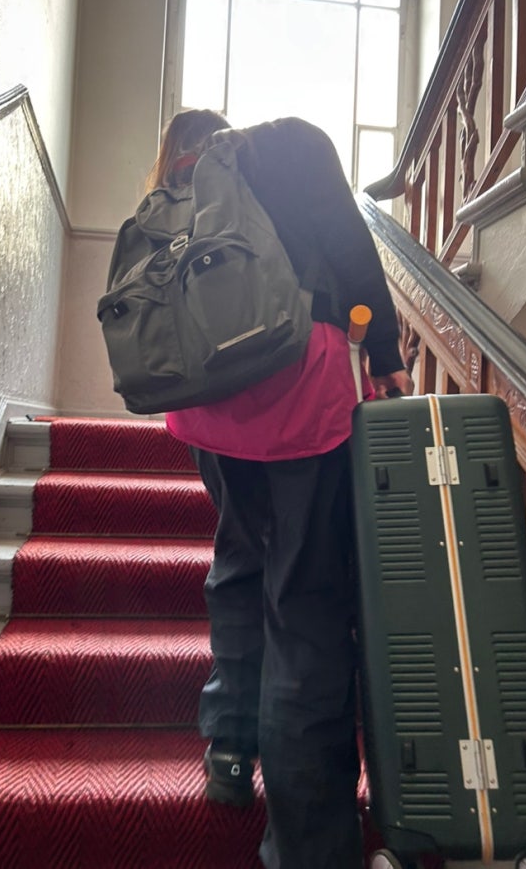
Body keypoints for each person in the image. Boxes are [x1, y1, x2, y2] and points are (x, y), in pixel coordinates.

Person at [152, 110, 413, 869]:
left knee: (240, 559)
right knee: (304, 607)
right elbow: (351, 249)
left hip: (206, 402)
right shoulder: (295, 143)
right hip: (300, 397)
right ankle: (308, 847)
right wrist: (385, 352)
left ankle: (229, 750)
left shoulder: (185, 174)